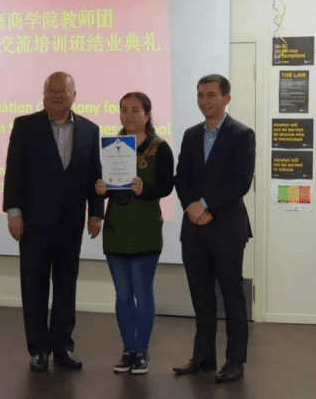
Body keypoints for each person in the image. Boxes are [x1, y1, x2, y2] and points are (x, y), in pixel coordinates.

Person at [3, 71, 104, 372]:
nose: (57, 95)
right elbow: (13, 171)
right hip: (33, 223)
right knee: (33, 286)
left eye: (63, 91)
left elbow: (94, 173)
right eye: (52, 90)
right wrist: (13, 212)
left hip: (70, 224)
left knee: (65, 287)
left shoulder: (90, 130)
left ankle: (63, 347)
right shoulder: (25, 126)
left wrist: (96, 213)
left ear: (75, 95)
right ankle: (38, 350)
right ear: (44, 94)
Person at [173, 74, 255, 383]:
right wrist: (191, 206)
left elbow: (241, 182)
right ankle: (203, 357)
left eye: (211, 95)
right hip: (193, 228)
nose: (204, 101)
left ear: (226, 98)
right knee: (201, 295)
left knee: (232, 296)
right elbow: (181, 178)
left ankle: (235, 360)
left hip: (227, 228)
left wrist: (204, 204)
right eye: (200, 95)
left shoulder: (242, 135)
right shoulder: (191, 135)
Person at [95, 92, 174, 375]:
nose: (128, 115)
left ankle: (142, 350)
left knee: (142, 292)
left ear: (147, 114)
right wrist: (100, 189)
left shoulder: (159, 147)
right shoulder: (111, 147)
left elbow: (167, 186)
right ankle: (128, 349)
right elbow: (103, 185)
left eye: (135, 110)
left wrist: (146, 189)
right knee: (122, 295)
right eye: (123, 109)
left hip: (145, 229)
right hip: (116, 228)